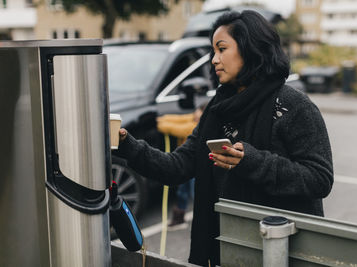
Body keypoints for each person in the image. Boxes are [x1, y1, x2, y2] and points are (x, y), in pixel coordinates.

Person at [116, 10, 333, 266]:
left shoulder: (293, 106)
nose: (214, 60)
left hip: (281, 249)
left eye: (222, 49)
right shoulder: (218, 109)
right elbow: (177, 167)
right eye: (213, 52)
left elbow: (320, 179)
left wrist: (250, 161)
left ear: (250, 48)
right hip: (228, 246)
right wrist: (126, 144)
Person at [156, 103, 207, 228]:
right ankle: (179, 218)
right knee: (182, 192)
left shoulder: (196, 126)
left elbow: (175, 128)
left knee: (194, 193)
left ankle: (203, 220)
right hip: (185, 162)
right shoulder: (194, 119)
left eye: (198, 113)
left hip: (195, 165)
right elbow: (181, 118)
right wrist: (163, 118)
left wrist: (161, 123)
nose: (194, 115)